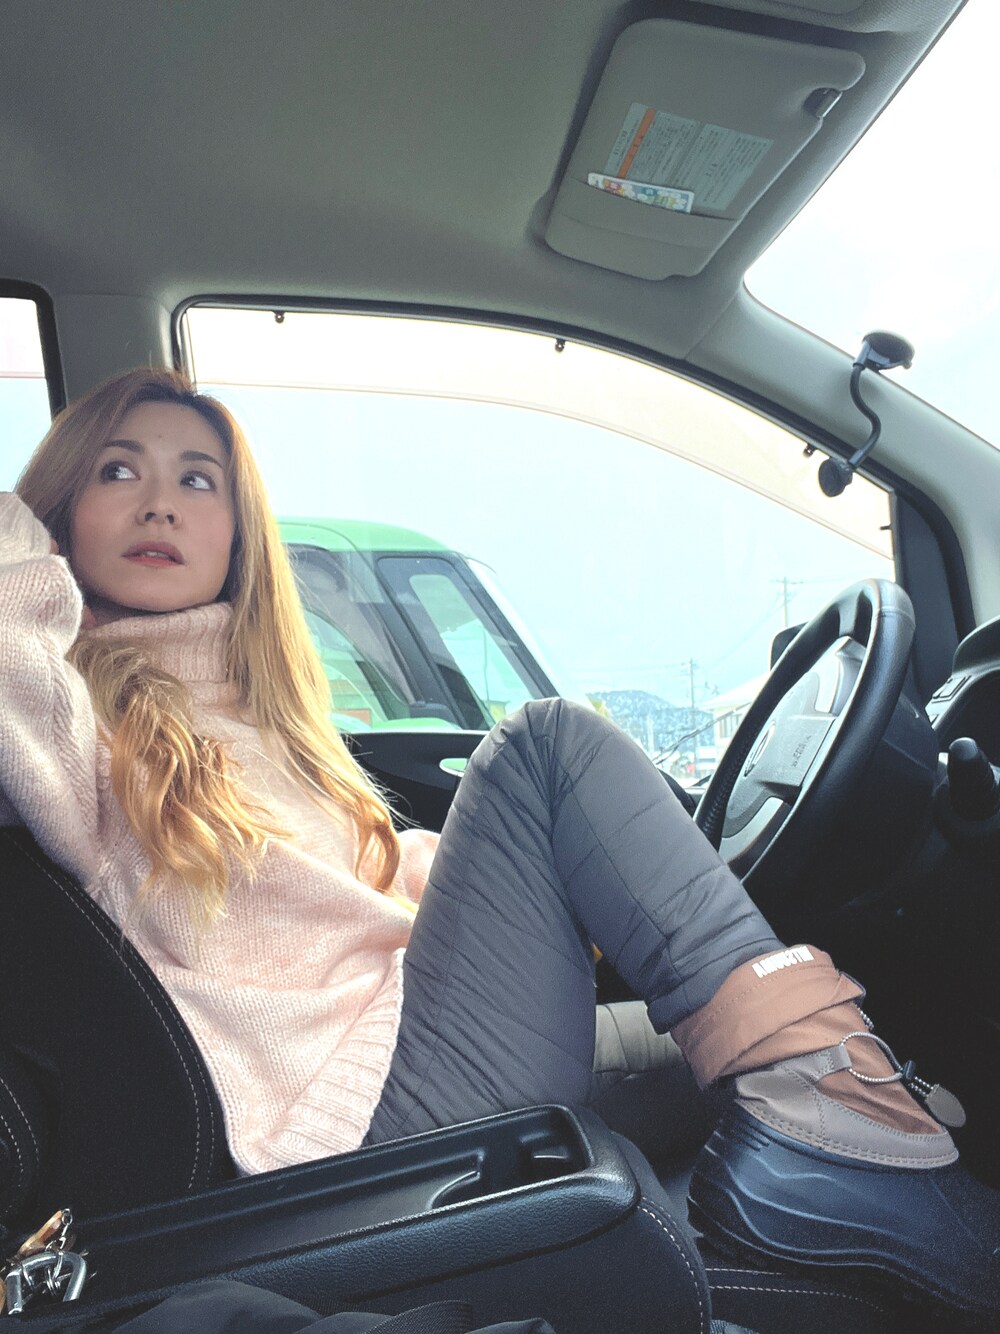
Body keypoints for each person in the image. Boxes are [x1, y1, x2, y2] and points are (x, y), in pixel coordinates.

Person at [0, 368, 996, 1326]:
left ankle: (847, 1124)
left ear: (239, 532)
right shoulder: (65, 714)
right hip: (344, 1123)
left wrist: (555, 887)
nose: (160, 503)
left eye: (198, 479)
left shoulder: (254, 711)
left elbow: (355, 890)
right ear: (58, 510)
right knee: (547, 745)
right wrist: (22, 529)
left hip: (394, 1035)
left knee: (689, 1051)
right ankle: (852, 1125)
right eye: (117, 470)